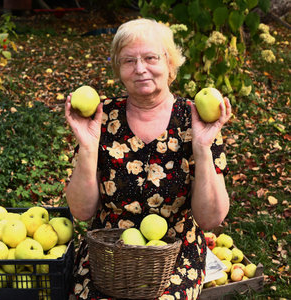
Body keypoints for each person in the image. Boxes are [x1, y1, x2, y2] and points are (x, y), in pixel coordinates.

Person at [65, 18, 231, 299]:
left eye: (150, 58)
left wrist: (203, 148)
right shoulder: (101, 117)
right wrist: (88, 146)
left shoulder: (195, 119)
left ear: (170, 63)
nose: (140, 69)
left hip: (175, 252)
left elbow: (211, 219)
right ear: (119, 69)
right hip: (110, 253)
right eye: (129, 61)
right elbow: (82, 212)